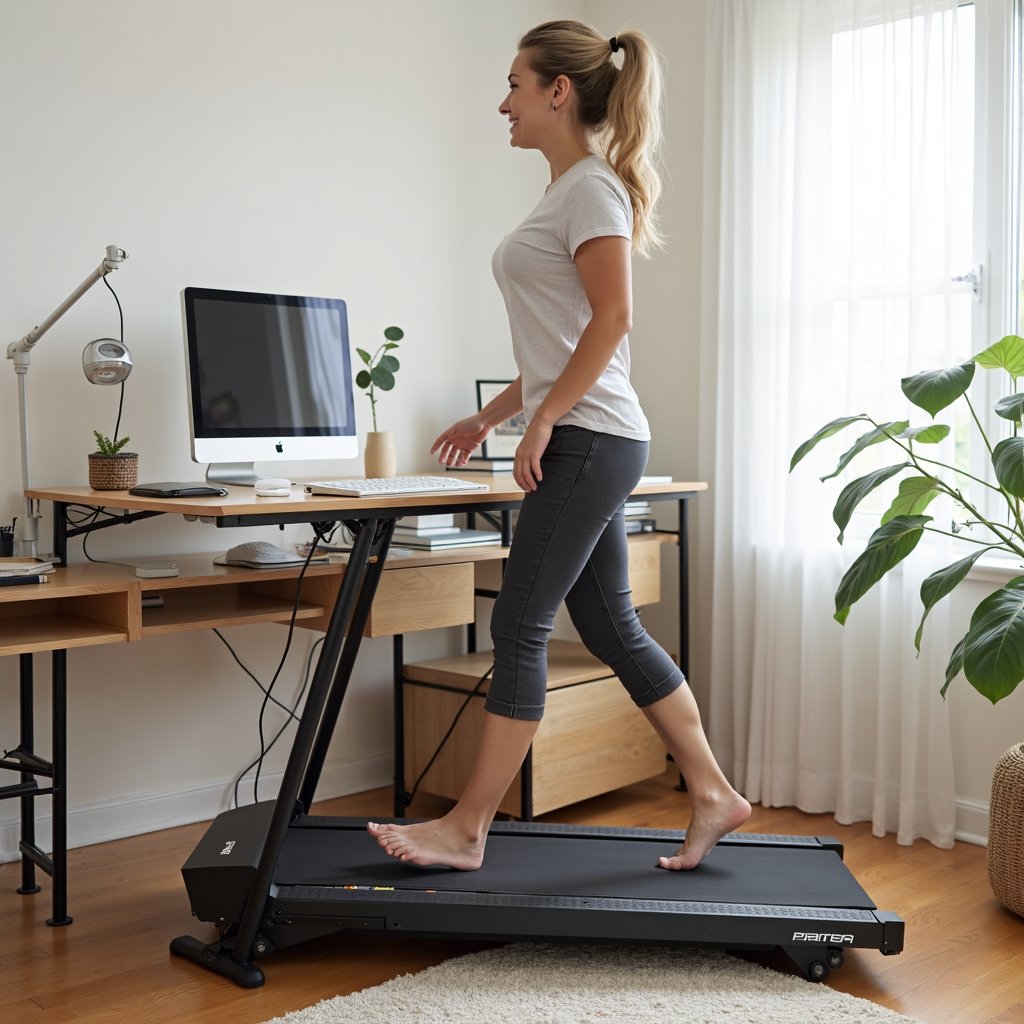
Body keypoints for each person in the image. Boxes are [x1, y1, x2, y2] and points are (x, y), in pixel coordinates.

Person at [368, 19, 750, 872]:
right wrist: (497, 412)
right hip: (591, 434)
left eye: (514, 83)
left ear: (558, 91)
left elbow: (614, 320)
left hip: (590, 439)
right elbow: (563, 341)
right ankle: (715, 793)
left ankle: (468, 827)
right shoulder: (565, 192)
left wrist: (541, 422)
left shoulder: (589, 191)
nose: (501, 101)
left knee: (520, 623)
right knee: (608, 623)